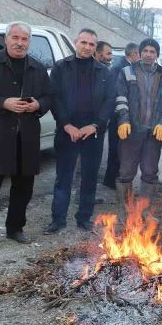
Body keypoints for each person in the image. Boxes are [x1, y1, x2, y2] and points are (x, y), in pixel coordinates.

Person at [0, 21, 52, 252]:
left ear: (29, 42)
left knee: (23, 188)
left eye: (24, 39)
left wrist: (38, 105)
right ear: (6, 39)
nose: (19, 43)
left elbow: (49, 96)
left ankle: (15, 228)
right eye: (15, 37)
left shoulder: (37, 67)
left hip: (26, 137)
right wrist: (3, 102)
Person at [44, 28, 116, 234]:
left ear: (95, 48)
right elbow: (54, 97)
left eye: (92, 44)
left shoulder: (104, 71)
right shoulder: (61, 67)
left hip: (93, 131)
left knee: (89, 176)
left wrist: (95, 125)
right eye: (83, 42)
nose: (87, 47)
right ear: (76, 42)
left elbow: (110, 100)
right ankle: (58, 219)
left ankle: (84, 217)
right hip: (67, 130)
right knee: (63, 177)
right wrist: (66, 125)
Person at [114, 38, 162, 217]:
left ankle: (143, 213)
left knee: (150, 173)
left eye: (152, 51)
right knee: (126, 173)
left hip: (153, 133)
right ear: (140, 53)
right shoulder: (127, 72)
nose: (148, 54)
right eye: (145, 51)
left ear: (157, 54)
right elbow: (120, 97)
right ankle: (125, 214)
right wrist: (124, 120)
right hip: (131, 131)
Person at [103, 42, 140, 189]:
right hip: (117, 114)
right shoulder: (120, 68)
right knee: (116, 149)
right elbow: (116, 92)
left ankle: (114, 180)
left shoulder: (124, 66)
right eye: (139, 54)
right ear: (134, 54)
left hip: (121, 113)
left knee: (121, 149)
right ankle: (112, 181)